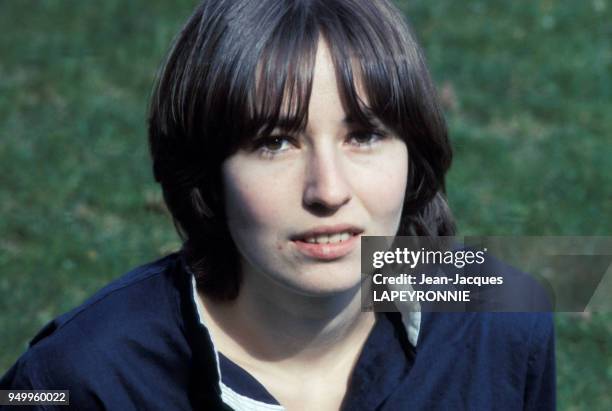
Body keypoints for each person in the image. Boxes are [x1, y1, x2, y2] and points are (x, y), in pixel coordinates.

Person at [0, 0, 555, 410]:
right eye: (274, 142)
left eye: (364, 135)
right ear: (206, 173)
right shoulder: (70, 378)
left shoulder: (509, 310)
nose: (328, 190)